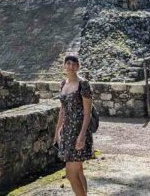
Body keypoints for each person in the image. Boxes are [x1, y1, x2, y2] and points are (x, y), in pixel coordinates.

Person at [54, 54, 93, 196]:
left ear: (78, 66)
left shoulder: (83, 84)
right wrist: (57, 130)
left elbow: (87, 113)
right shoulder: (63, 84)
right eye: (68, 63)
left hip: (78, 131)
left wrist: (82, 136)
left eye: (73, 64)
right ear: (64, 65)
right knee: (79, 171)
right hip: (67, 132)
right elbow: (62, 110)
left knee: (71, 174)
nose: (70, 66)